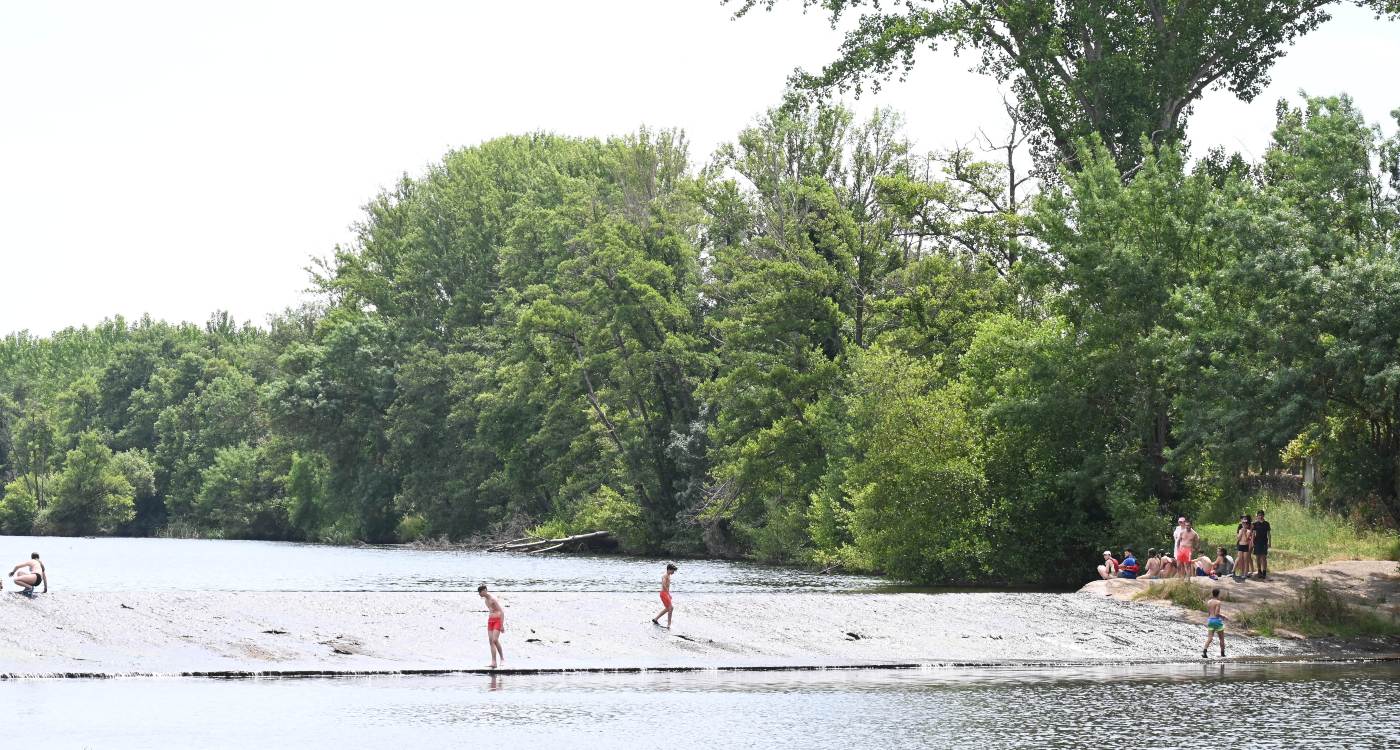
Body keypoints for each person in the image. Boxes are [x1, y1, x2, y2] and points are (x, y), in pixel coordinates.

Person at [478, 583, 505, 669]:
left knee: (495, 640)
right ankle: (494, 662)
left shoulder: (493, 599)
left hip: (497, 621)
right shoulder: (485, 600)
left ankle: (502, 659)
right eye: (479, 592)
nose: (479, 594)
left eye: (480, 592)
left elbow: (501, 612)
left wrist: (502, 625)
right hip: (490, 621)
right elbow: (491, 610)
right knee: (491, 641)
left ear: (485, 591)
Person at [1201, 588, 1226, 659]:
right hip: (1217, 621)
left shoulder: (1209, 602)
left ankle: (1204, 651)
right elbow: (1216, 613)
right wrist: (1223, 616)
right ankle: (1222, 654)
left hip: (1210, 620)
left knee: (1210, 638)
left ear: (1212, 594)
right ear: (1218, 594)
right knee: (1221, 639)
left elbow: (1209, 613)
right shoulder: (1218, 602)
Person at [652, 563, 677, 628]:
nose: (673, 572)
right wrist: (668, 593)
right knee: (671, 608)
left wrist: (668, 593)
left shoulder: (668, 576)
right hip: (664, 593)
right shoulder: (665, 576)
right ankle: (669, 624)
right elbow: (663, 584)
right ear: (669, 569)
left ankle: (655, 619)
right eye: (673, 570)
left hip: (665, 593)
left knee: (668, 608)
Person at [1252, 510, 1272, 580]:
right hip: (1257, 542)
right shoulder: (1255, 524)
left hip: (1264, 542)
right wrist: (1252, 542)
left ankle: (1264, 572)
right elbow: (1253, 534)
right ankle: (1259, 571)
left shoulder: (1267, 523)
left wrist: (1270, 542)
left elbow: (1269, 534)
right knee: (1257, 558)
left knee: (1264, 558)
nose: (1260, 516)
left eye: (1261, 515)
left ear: (1263, 516)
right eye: (1259, 515)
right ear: (1257, 516)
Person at [1234, 516, 1253, 581]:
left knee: (1245, 560)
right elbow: (1238, 539)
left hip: (1245, 546)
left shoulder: (1248, 531)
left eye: (1245, 524)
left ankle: (1245, 573)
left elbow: (1246, 539)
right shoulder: (1240, 530)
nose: (1244, 525)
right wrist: (1241, 532)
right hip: (1240, 546)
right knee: (1240, 560)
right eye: (1243, 524)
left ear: (1247, 525)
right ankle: (1241, 573)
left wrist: (1244, 532)